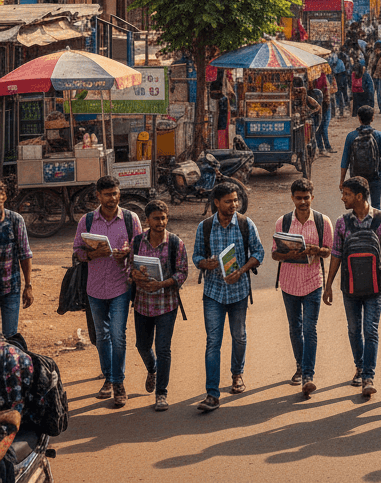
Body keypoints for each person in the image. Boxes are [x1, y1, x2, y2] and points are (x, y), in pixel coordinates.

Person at [323, 175, 381, 398]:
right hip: (349, 287)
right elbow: (336, 255)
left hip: (375, 287)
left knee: (370, 330)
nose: (342, 198)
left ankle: (368, 375)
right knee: (353, 329)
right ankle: (359, 366)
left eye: (346, 194)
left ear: (359, 196)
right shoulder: (341, 222)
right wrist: (328, 285)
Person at [192, 180, 265, 413]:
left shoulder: (245, 224)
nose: (234, 204)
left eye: (236, 200)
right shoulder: (204, 227)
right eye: (229, 201)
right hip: (213, 293)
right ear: (216, 203)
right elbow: (196, 257)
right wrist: (206, 263)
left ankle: (237, 374)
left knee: (239, 336)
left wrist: (241, 271)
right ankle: (212, 394)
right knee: (213, 342)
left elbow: (259, 252)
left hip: (239, 292)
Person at [72, 175, 143, 408]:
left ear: (119, 193)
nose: (112, 198)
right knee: (101, 337)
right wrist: (93, 254)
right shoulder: (88, 221)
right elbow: (77, 252)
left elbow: (142, 253)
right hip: (94, 288)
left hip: (120, 286)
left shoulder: (131, 220)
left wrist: (127, 254)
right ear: (98, 196)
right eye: (107, 195)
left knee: (117, 336)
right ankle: (108, 377)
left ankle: (118, 383)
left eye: (115, 193)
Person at [272, 178, 333, 398]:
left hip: (313, 282)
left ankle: (308, 375)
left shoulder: (322, 221)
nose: (303, 202)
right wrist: (290, 254)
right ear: (292, 198)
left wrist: (317, 250)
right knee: (294, 328)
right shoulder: (283, 222)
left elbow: (330, 252)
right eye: (299, 198)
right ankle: (300, 365)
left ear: (312, 197)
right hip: (289, 284)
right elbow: (274, 254)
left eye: (306, 197)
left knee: (309, 329)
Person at [128, 199, 188, 411]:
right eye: (156, 218)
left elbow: (182, 272)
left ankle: (161, 393)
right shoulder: (137, 242)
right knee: (142, 346)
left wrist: (162, 284)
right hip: (142, 304)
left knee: (163, 349)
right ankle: (152, 369)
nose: (161, 222)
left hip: (166, 305)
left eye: (163, 218)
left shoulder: (175, 243)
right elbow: (129, 269)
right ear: (148, 220)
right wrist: (135, 275)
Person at [339, 106, 381, 209]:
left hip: (356, 179)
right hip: (375, 177)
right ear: (372, 118)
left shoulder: (351, 136)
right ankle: (374, 225)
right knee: (376, 207)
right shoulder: (379, 136)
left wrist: (342, 181)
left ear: (359, 118)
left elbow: (345, 160)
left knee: (357, 206)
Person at [0, 179, 31, 338]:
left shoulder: (15, 220)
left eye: (0, 193)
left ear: (4, 196)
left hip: (11, 287)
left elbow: (25, 254)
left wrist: (28, 285)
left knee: (11, 336)